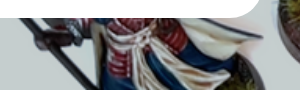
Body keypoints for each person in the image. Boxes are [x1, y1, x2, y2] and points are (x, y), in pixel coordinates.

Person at [32, 17, 260, 90]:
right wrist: (62, 36)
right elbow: (82, 22)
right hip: (123, 55)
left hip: (165, 43)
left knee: (202, 69)